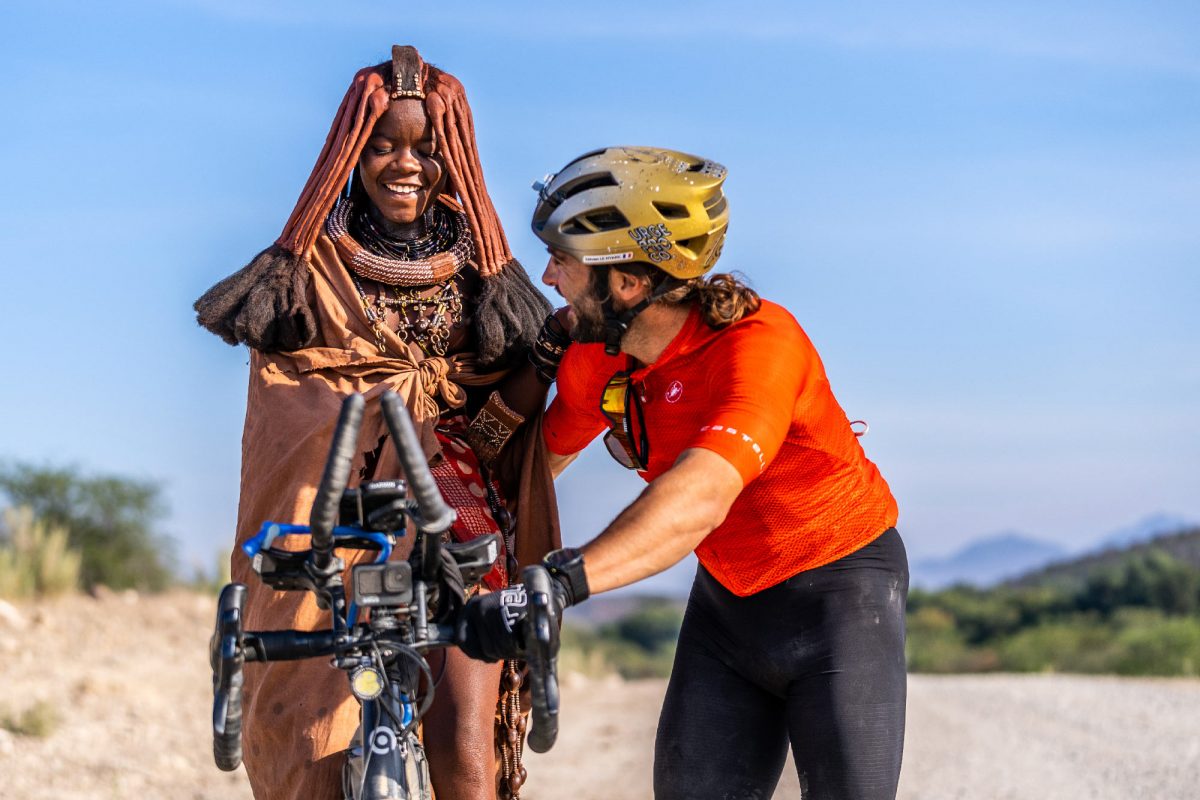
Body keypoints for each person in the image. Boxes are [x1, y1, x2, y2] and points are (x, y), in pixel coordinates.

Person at [458, 146, 908, 799]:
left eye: (564, 260)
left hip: (841, 597)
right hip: (729, 608)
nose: (549, 277)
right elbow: (530, 471)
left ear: (629, 283)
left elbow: (701, 494)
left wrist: (558, 582)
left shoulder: (760, 347)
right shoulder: (599, 358)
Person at [194, 46, 564, 800]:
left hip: (453, 527)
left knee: (467, 751)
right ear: (351, 155)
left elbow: (498, 413)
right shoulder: (312, 276)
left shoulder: (484, 272)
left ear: (452, 156)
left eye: (427, 148)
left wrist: (526, 378)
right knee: (315, 745)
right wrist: (374, 415)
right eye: (385, 145)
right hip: (336, 531)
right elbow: (288, 407)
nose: (407, 164)